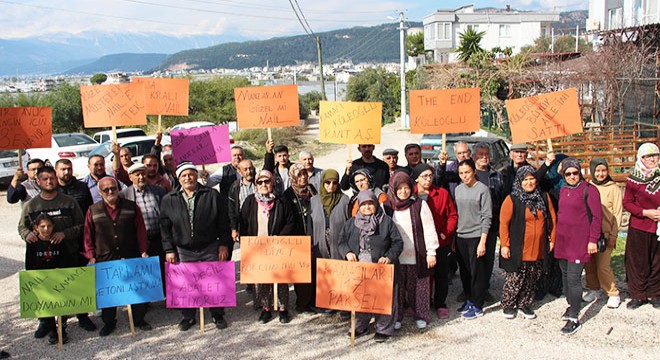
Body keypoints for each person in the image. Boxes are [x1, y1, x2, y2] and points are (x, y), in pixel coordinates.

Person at [18, 166, 95, 339]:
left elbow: (82, 225)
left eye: (52, 178)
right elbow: (21, 226)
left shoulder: (69, 202)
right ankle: (46, 322)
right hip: (43, 258)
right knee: (45, 290)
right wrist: (27, 234)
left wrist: (64, 234)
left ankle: (82, 316)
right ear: (38, 181)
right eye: (44, 179)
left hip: (69, 253)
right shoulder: (32, 205)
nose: (49, 181)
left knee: (75, 286)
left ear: (56, 179)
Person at [160, 162, 232, 331]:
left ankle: (217, 314)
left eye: (191, 174)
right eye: (184, 175)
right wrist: (169, 249)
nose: (188, 178)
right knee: (186, 284)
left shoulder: (212, 195)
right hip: (183, 249)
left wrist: (223, 244)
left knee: (213, 281)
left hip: (209, 246)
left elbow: (223, 222)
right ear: (178, 178)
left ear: (197, 176)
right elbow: (164, 227)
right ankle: (188, 316)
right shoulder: (169, 199)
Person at [84, 177, 151, 336]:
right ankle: (109, 322)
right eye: (106, 189)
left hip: (130, 254)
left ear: (118, 189)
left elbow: (140, 230)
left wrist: (143, 250)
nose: (110, 192)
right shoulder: (93, 210)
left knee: (135, 289)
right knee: (109, 292)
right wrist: (90, 255)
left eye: (113, 188)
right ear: (100, 192)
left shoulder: (131, 207)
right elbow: (88, 234)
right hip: (105, 256)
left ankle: (139, 319)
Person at [338, 189, 403, 342]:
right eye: (364, 204)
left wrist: (388, 257)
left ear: (375, 204)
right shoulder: (351, 223)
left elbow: (398, 242)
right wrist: (347, 252)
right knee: (361, 298)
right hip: (359, 268)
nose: (367, 207)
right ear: (359, 206)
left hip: (381, 268)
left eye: (370, 204)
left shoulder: (386, 221)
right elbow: (341, 241)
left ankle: (384, 328)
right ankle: (361, 325)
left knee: (383, 298)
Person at [499, 165, 556, 320]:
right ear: (519, 181)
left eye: (532, 179)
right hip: (519, 247)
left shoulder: (543, 197)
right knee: (515, 277)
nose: (529, 182)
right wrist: (504, 244)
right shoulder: (512, 199)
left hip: (538, 246)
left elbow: (552, 218)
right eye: (525, 179)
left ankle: (524, 303)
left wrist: (552, 239)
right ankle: (509, 304)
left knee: (532, 277)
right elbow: (503, 223)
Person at [383, 171, 438, 330]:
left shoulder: (419, 205)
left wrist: (431, 251)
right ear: (393, 189)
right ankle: (397, 315)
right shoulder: (387, 207)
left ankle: (420, 315)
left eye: (406, 187)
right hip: (396, 256)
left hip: (417, 255)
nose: (403, 192)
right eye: (399, 188)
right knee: (398, 289)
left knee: (419, 289)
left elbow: (429, 229)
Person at [239, 170, 296, 324]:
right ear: (256, 184)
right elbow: (243, 223)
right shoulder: (250, 201)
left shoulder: (281, 200)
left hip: (278, 246)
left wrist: (280, 237)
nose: (264, 185)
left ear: (272, 182)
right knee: (263, 279)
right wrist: (246, 243)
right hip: (258, 247)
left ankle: (283, 309)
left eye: (267, 181)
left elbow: (290, 222)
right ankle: (266, 308)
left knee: (281, 278)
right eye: (260, 182)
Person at [555, 157, 601, 335]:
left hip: (579, 242)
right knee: (565, 276)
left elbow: (597, 217)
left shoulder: (589, 190)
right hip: (563, 241)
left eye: (575, 172)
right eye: (568, 173)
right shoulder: (564, 189)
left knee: (574, 278)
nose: (572, 176)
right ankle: (571, 304)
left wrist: (593, 240)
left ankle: (575, 317)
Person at [412, 163, 457, 319]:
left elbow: (452, 215)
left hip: (440, 241)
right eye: (424, 176)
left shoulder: (442, 193)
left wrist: (446, 233)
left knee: (441, 274)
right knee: (422, 275)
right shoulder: (412, 195)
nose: (428, 179)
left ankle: (440, 303)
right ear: (417, 178)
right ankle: (421, 302)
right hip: (418, 243)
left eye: (430, 176)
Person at [622, 143, 660, 309]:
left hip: (658, 226)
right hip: (640, 226)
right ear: (641, 158)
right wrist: (646, 212)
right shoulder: (633, 180)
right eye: (648, 156)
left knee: (657, 261)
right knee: (638, 261)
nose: (652, 159)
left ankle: (655, 293)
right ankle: (638, 294)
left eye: (655, 155)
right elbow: (628, 203)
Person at [454, 159, 492, 319]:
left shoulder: (483, 190)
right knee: (465, 271)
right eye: (461, 173)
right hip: (461, 235)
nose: (465, 176)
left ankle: (478, 304)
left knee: (477, 271)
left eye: (467, 172)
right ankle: (469, 298)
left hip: (476, 236)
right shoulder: (457, 190)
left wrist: (483, 241)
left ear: (474, 172)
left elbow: (487, 216)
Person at [583, 158, 622, 309]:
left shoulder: (614, 188)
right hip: (590, 234)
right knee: (589, 264)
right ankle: (593, 288)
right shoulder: (588, 186)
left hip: (606, 234)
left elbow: (617, 214)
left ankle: (612, 293)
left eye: (603, 170)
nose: (600, 174)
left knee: (603, 265)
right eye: (597, 171)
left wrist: (613, 235)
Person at [120, 163, 167, 282]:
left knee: (161, 271)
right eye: (137, 175)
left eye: (143, 174)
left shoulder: (159, 191)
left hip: (158, 239)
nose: (141, 177)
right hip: (138, 242)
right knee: (143, 275)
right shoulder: (124, 195)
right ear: (130, 177)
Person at [26, 214, 67, 344]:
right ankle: (52, 332)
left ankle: (62, 330)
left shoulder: (58, 241)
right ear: (36, 228)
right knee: (48, 308)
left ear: (53, 226)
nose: (46, 229)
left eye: (49, 226)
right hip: (41, 281)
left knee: (60, 305)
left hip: (57, 278)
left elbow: (65, 260)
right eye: (42, 226)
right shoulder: (33, 244)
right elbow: (29, 263)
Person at [282, 163, 317, 312]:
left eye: (304, 174)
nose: (303, 177)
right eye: (299, 175)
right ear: (293, 177)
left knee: (315, 270)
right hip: (298, 238)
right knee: (301, 273)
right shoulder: (288, 194)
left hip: (314, 234)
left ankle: (315, 300)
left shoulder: (311, 189)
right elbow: (287, 218)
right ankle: (302, 303)